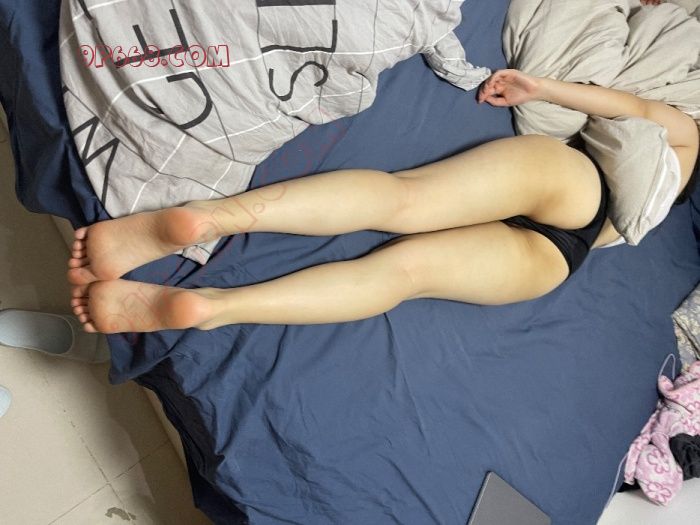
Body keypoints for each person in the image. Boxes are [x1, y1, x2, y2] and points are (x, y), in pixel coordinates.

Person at [66, 69, 699, 334]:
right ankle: (212, 309)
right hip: (561, 258)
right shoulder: (683, 176)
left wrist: (540, 88)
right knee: (400, 277)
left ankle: (211, 219)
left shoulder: (690, 133)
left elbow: (633, 108)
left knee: (404, 200)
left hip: (577, 184)